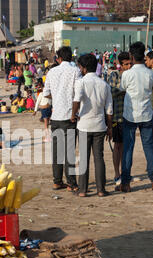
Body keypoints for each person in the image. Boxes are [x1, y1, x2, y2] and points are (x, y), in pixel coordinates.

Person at [115, 42, 153, 193]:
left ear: (131, 56)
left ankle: (126, 183)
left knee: (128, 148)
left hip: (130, 114)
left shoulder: (127, 74)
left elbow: (122, 89)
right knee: (148, 148)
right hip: (146, 114)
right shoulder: (151, 73)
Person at [71, 54, 112, 197]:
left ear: (83, 68)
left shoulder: (81, 83)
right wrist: (110, 127)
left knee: (84, 158)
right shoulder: (104, 84)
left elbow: (76, 100)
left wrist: (73, 114)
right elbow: (109, 109)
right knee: (99, 157)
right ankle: (101, 189)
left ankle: (82, 190)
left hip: (84, 125)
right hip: (100, 125)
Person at [43, 46, 81, 192]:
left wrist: (57, 96)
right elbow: (78, 93)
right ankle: (71, 182)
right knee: (69, 152)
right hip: (69, 116)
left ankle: (57, 181)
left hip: (56, 116)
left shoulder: (52, 71)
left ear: (58, 58)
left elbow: (46, 93)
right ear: (71, 57)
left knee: (57, 151)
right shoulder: (75, 71)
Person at [110, 52, 131, 186]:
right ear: (120, 64)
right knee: (117, 146)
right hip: (117, 117)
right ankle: (117, 173)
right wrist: (125, 89)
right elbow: (112, 91)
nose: (129, 66)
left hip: (130, 117)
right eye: (126, 64)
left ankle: (125, 172)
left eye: (130, 63)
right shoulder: (115, 75)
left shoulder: (132, 75)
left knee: (127, 147)